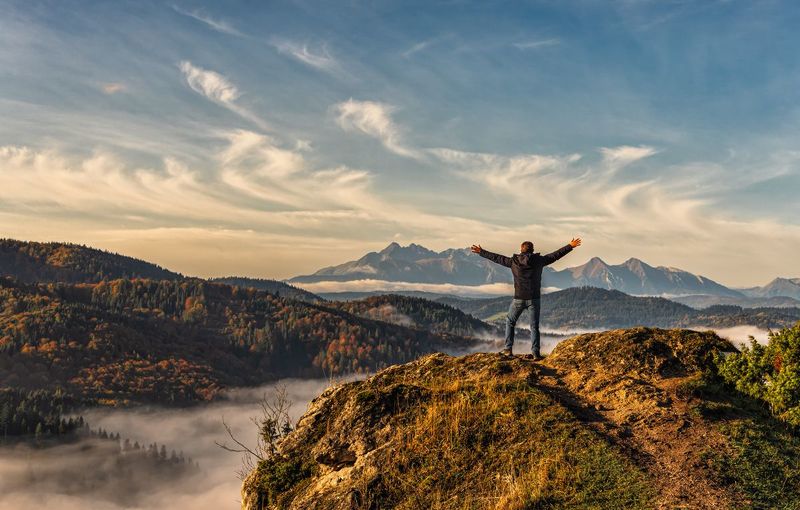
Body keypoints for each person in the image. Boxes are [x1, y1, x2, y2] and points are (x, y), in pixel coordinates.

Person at [471, 238, 582, 360]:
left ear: (521, 250)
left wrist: (481, 252)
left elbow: (497, 258)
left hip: (518, 298)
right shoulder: (539, 261)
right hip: (534, 299)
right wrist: (570, 246)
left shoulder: (514, 262)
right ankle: (535, 353)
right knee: (534, 327)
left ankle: (508, 349)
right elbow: (556, 255)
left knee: (510, 322)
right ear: (533, 250)